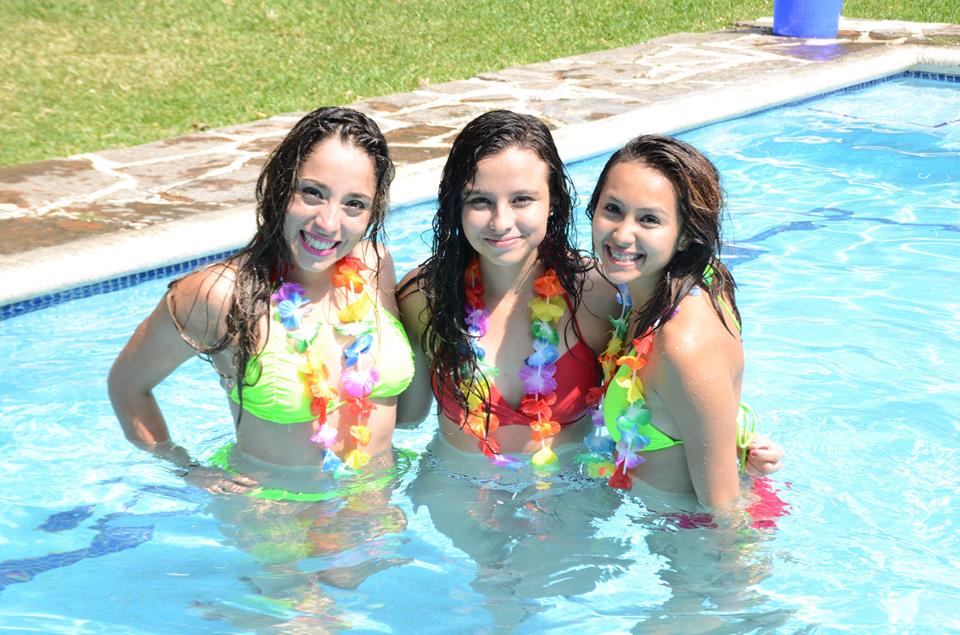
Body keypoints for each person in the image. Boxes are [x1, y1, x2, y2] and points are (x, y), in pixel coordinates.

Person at [108, 106, 415, 495]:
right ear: (280, 187)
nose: (328, 222)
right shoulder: (221, 294)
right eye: (313, 193)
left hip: (376, 506)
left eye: (354, 203)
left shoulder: (374, 266)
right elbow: (127, 386)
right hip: (275, 513)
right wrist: (186, 470)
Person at [587, 133, 778, 509]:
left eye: (649, 220)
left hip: (691, 530)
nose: (622, 235)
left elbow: (725, 509)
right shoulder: (664, 288)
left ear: (686, 236)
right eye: (612, 209)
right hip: (662, 516)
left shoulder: (682, 344)